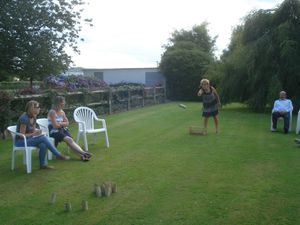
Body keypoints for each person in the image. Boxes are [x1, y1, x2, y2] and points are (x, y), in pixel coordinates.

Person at [16, 100, 70, 170]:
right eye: (38, 107)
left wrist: (37, 131)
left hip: (29, 139)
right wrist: (33, 133)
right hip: (21, 141)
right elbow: (21, 135)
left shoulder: (34, 117)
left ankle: (42, 165)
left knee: (43, 145)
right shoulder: (24, 118)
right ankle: (58, 154)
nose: (39, 108)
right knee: (43, 138)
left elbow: (32, 130)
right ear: (32, 108)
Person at [48, 96, 92, 161]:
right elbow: (55, 126)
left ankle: (82, 156)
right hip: (54, 132)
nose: (64, 104)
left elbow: (67, 123)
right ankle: (84, 153)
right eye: (63, 103)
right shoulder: (52, 112)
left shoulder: (62, 112)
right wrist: (63, 124)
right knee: (69, 140)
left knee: (70, 140)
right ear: (58, 103)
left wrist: (60, 124)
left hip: (62, 130)